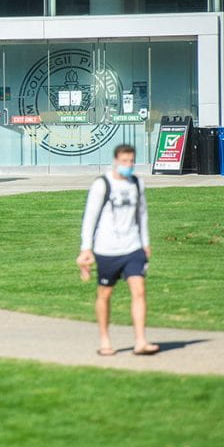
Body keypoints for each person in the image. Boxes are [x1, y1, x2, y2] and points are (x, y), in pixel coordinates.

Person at [76, 144, 160, 357]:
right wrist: (86, 248)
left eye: (131, 161)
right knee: (105, 294)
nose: (128, 165)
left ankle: (140, 341)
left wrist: (145, 242)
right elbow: (90, 218)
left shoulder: (137, 183)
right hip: (107, 249)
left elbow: (142, 215)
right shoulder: (102, 184)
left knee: (139, 290)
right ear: (115, 161)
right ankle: (105, 340)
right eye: (124, 161)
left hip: (132, 247)